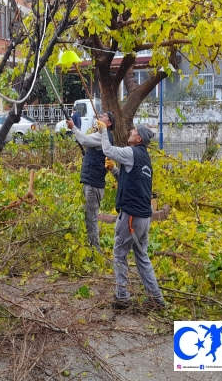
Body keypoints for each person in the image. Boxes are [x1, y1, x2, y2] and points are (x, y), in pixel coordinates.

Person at [96, 121, 165, 312]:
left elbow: (108, 150)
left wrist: (103, 131)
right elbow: (132, 181)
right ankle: (156, 299)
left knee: (119, 253)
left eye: (133, 131)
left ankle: (122, 297)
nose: (130, 132)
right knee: (142, 256)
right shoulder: (145, 159)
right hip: (144, 217)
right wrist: (114, 170)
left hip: (132, 217)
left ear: (139, 138)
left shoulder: (130, 152)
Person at [66, 111, 115, 249]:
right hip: (93, 181)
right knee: (90, 217)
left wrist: (73, 128)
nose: (100, 117)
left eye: (104, 117)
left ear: (109, 123)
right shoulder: (102, 136)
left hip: (94, 183)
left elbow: (85, 140)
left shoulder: (103, 137)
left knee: (91, 219)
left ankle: (95, 252)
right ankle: (93, 249)